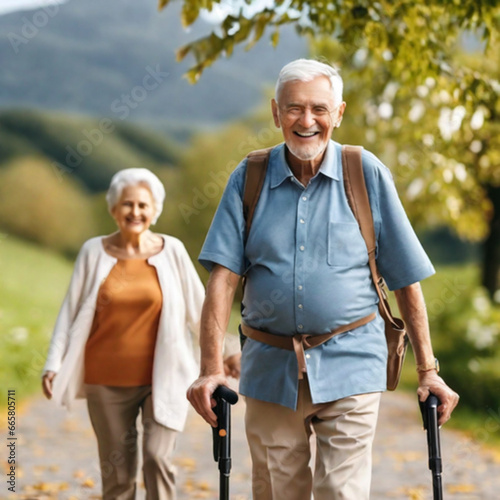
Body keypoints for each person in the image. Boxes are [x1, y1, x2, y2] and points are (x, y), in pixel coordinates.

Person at [187, 59, 459, 499]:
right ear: (276, 114)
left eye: (319, 108)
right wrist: (210, 369)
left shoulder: (365, 173)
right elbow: (223, 278)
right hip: (270, 369)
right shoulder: (249, 177)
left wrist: (428, 371)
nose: (307, 121)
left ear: (339, 112)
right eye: (294, 109)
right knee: (278, 491)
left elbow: (406, 277)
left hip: (352, 361)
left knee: (341, 491)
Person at [42, 168, 240, 500]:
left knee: (156, 458)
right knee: (117, 475)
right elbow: (70, 312)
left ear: (154, 209)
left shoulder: (171, 251)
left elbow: (200, 308)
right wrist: (53, 362)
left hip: (164, 377)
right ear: (113, 209)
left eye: (143, 205)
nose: (135, 212)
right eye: (127, 204)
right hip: (105, 380)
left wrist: (227, 351)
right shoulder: (93, 251)